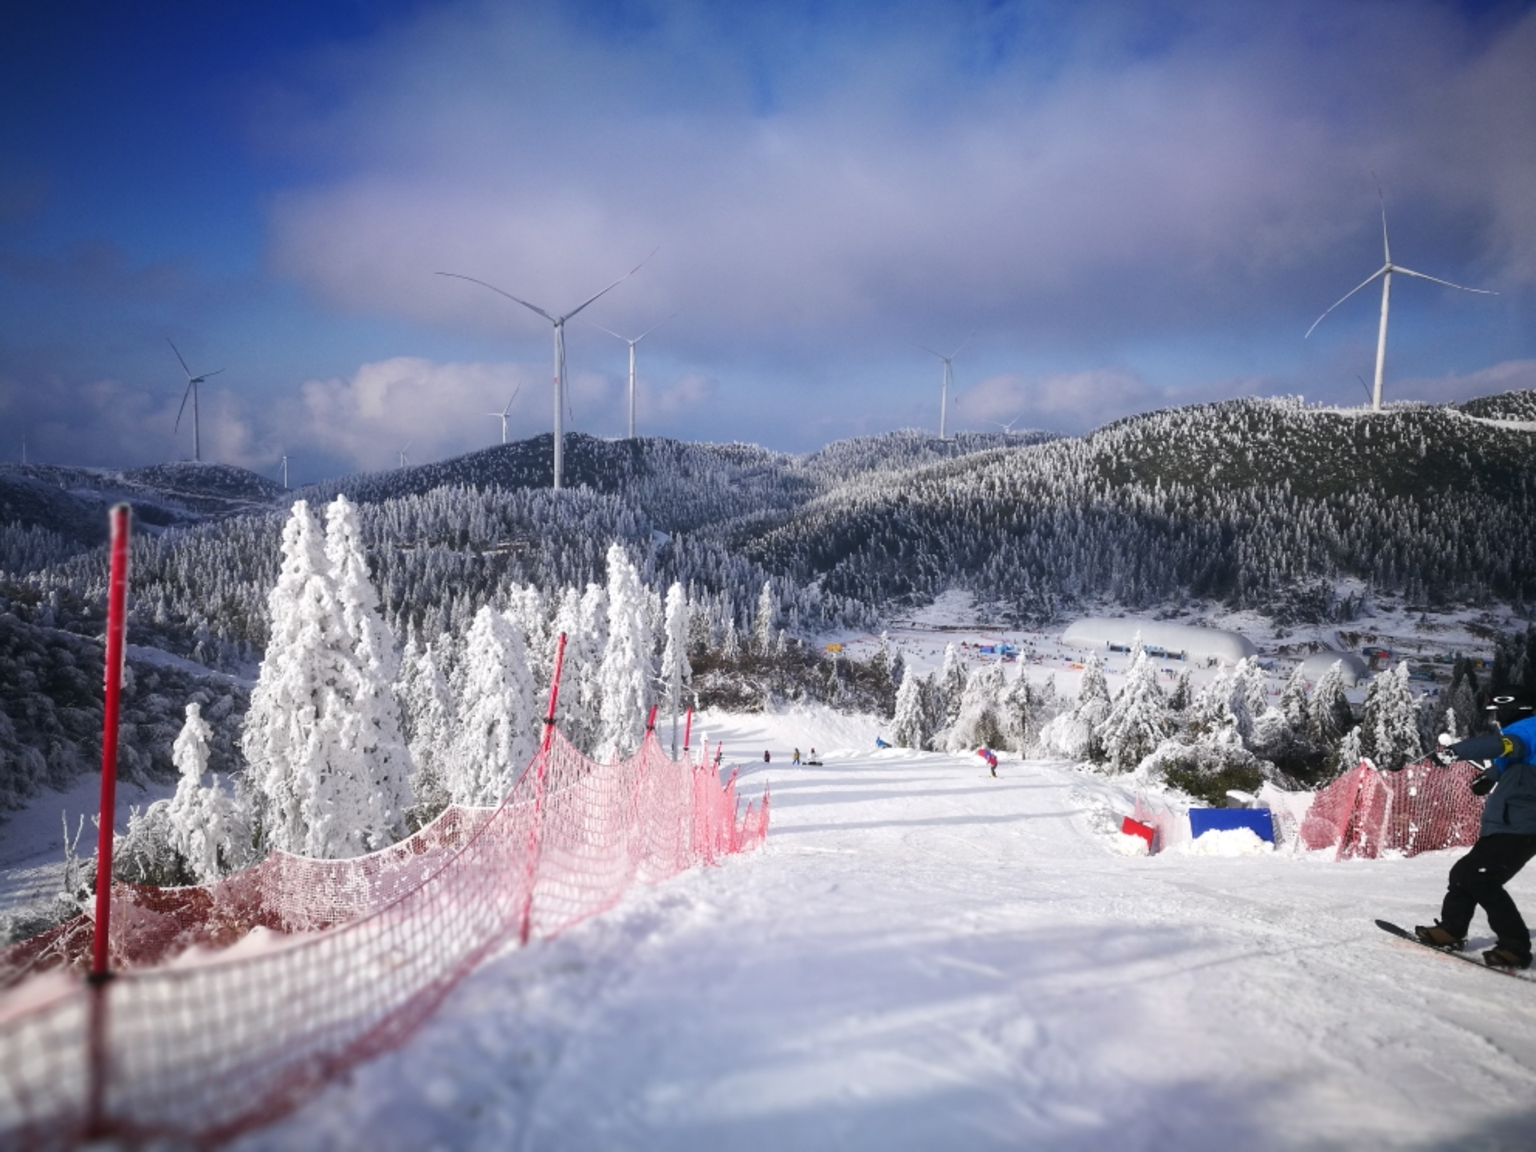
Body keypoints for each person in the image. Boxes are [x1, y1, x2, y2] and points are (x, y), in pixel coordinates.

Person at [1410, 691, 1536, 968]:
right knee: (1463, 873)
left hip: (1522, 824)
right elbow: (1509, 762)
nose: (1496, 717)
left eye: (1497, 712)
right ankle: (1451, 930)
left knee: (1482, 878)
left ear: (1513, 709)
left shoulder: (1528, 729)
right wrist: (1487, 777)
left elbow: (1502, 746)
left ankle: (1515, 947)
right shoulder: (1527, 736)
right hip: (1508, 822)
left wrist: (1457, 752)